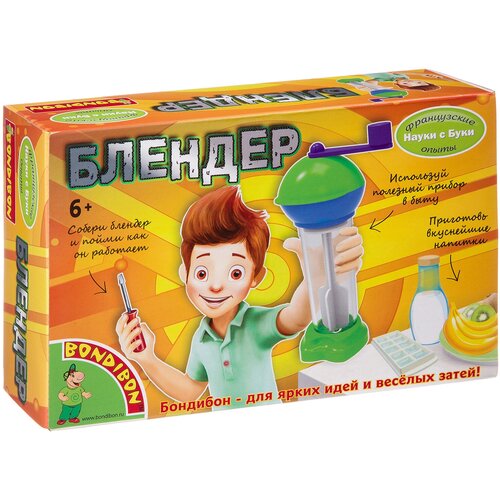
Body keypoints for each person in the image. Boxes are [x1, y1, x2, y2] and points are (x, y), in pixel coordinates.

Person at [115, 186, 363, 408]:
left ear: (256, 277)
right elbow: (190, 391)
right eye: (201, 273)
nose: (215, 286)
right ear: (185, 273)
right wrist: (146, 359)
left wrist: (314, 278)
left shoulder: (254, 324)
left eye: (235, 273)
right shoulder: (201, 340)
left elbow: (297, 318)